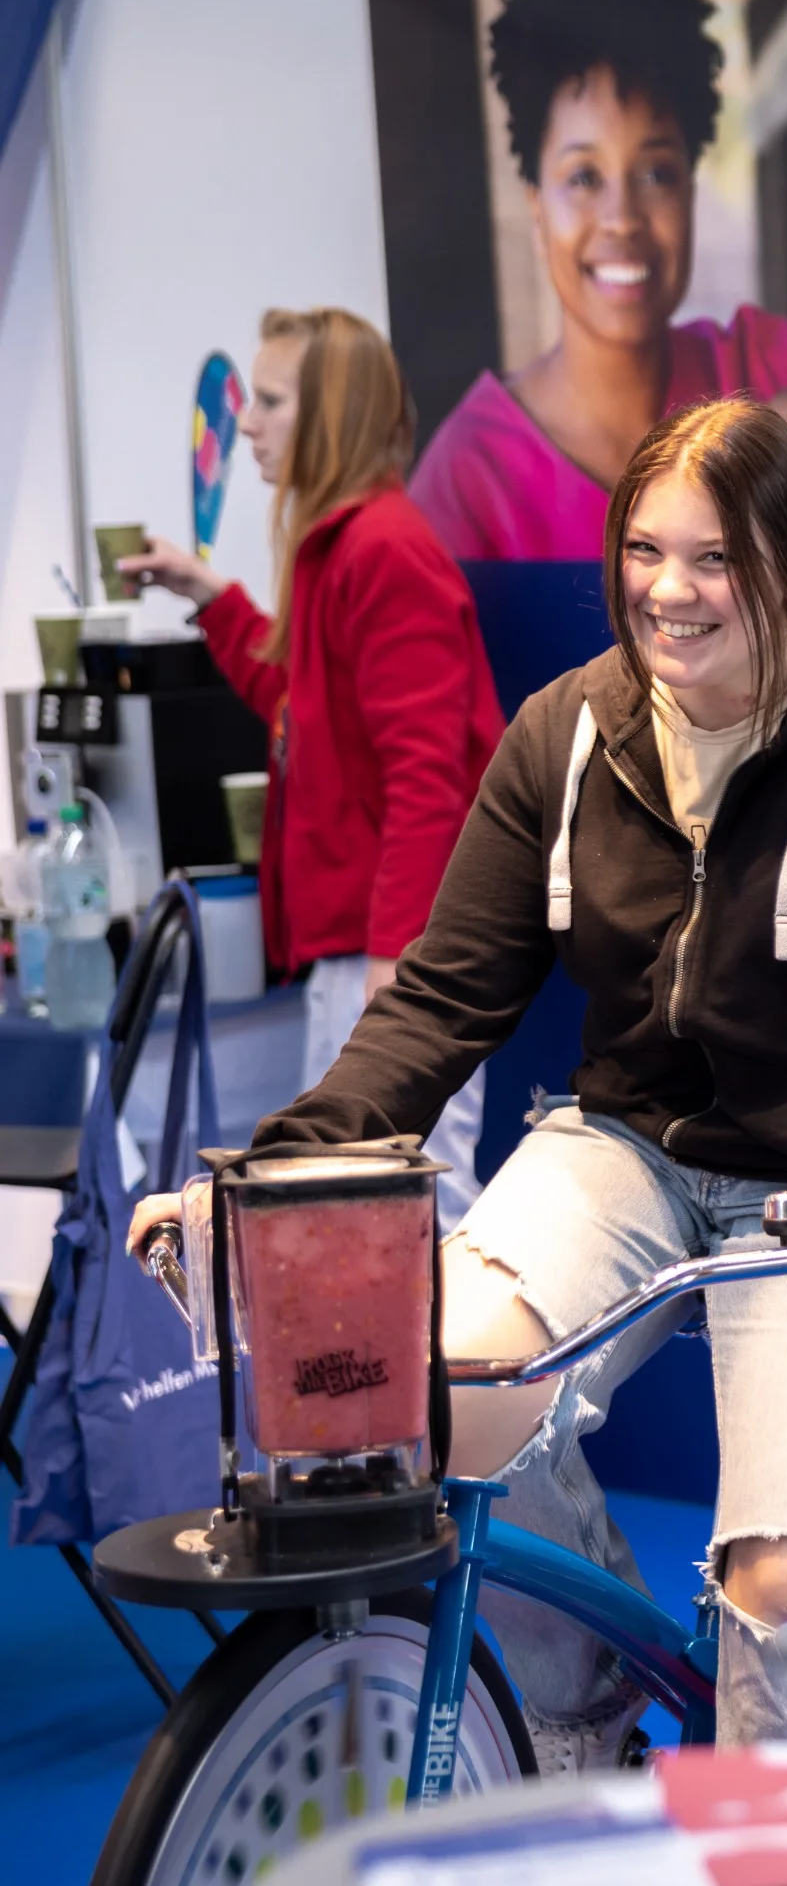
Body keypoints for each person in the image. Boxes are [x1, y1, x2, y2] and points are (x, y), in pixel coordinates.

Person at [130, 397, 787, 1759]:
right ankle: (591, 1704)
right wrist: (275, 1178)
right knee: (444, 1395)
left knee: (782, 1588)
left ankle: (783, 1835)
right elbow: (441, 997)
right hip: (631, 1147)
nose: (671, 592)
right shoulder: (568, 732)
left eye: (717, 557)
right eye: (646, 550)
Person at [125, 307, 504, 1232]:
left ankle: (524, 1384)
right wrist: (214, 599)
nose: (246, 422)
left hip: (390, 957)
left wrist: (396, 966)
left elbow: (429, 781)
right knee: (373, 1217)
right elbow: (305, 703)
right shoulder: (344, 547)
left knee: (418, 1215)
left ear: (329, 414)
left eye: (271, 400)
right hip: (367, 954)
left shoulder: (383, 551)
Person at [410, 0, 787, 560]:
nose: (622, 219)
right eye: (584, 178)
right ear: (536, 203)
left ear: (691, 190)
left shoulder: (764, 369)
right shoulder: (469, 478)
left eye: (655, 175)